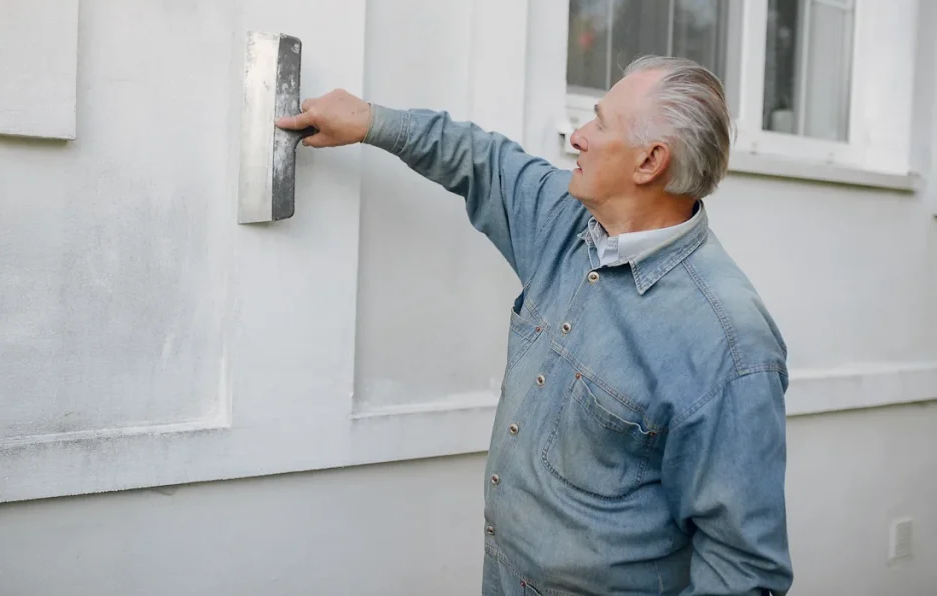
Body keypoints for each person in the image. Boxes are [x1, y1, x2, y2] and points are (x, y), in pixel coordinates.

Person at [277, 56, 792, 596]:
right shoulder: (568, 225)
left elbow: (743, 573)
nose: (578, 136)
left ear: (649, 162)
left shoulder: (726, 345)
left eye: (599, 123)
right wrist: (368, 121)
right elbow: (482, 159)